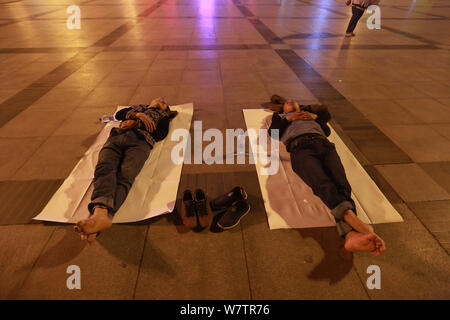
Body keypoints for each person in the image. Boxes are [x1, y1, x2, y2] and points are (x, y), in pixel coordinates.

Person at [269, 99, 386, 256]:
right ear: (282, 108)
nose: (290, 101)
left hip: (325, 145)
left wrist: (314, 116)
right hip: (300, 148)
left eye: (294, 101)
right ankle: (347, 217)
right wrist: (290, 118)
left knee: (341, 184)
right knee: (322, 182)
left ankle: (350, 235)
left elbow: (327, 130)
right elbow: (273, 133)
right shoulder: (280, 117)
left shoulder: (311, 115)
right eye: (287, 102)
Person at [74, 98, 176, 242]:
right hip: (116, 137)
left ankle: (99, 215)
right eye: (157, 98)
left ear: (165, 108)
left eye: (163, 102)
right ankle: (101, 217)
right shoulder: (138, 108)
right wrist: (138, 115)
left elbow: (160, 134)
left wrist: (137, 123)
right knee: (104, 169)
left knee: (126, 174)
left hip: (140, 142)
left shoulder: (163, 116)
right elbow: (119, 114)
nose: (160, 99)